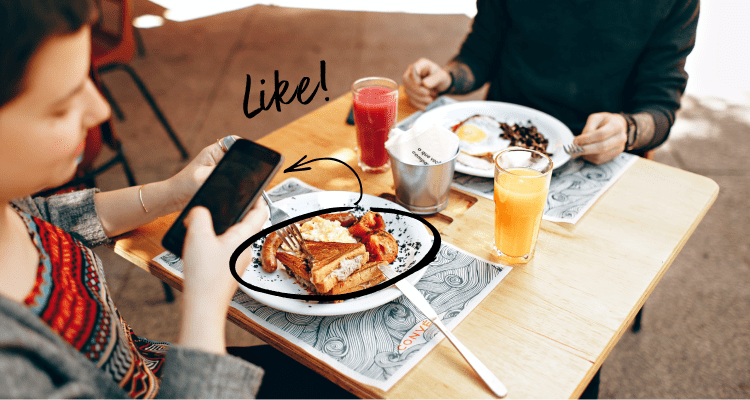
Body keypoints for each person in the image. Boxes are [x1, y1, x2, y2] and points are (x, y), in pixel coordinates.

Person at [0, 1, 270, 398]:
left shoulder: (9, 204)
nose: (100, 110)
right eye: (61, 107)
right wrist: (205, 303)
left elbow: (45, 219)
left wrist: (173, 191)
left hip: (154, 364)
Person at [402, 0, 700, 164]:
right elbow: (480, 53)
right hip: (496, 148)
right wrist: (449, 77)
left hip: (592, 155)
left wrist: (628, 129)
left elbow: (660, 107)